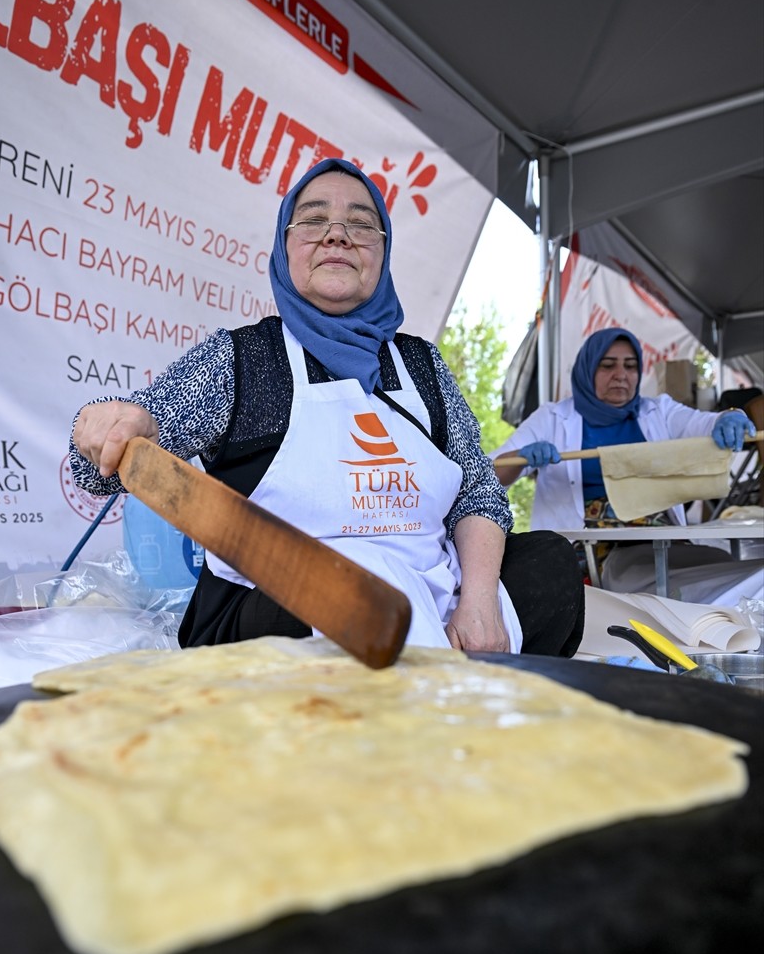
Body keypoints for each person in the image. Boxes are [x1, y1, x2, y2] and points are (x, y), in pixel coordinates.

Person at [71, 158, 584, 657]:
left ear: (382, 253)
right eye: (314, 220)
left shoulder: (421, 364)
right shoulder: (241, 358)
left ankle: (433, 663)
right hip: (287, 606)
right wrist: (114, 426)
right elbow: (102, 468)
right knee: (348, 590)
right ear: (285, 245)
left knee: (553, 564)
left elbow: (478, 493)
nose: (337, 235)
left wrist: (477, 602)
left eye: (361, 225)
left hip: (429, 594)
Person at [491, 327, 758, 596]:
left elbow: (702, 423)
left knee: (715, 565)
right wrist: (521, 456)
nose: (621, 375)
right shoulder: (551, 418)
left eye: (631, 366)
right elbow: (488, 475)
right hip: (591, 554)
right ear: (588, 369)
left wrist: (727, 417)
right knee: (670, 582)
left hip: (663, 542)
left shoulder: (658, 411)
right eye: (608, 366)